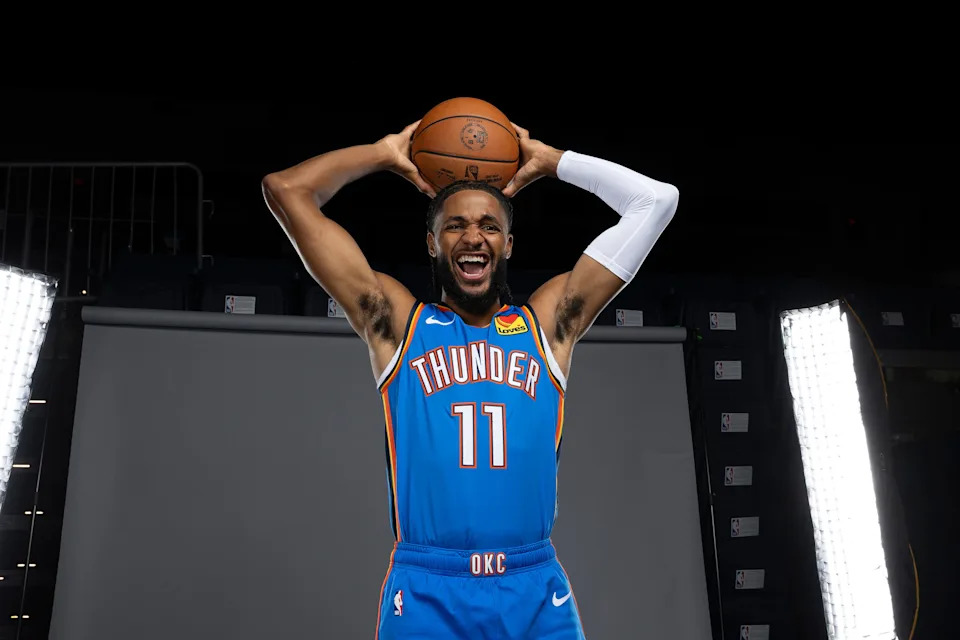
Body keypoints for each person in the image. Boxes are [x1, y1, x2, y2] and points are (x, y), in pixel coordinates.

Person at [262, 118, 679, 639]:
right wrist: (381, 154)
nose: (473, 236)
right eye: (455, 225)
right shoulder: (395, 325)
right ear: (433, 244)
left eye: (489, 225)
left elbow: (656, 201)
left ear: (508, 244)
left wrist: (553, 162)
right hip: (427, 587)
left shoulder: (548, 325)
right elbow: (287, 189)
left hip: (533, 589)